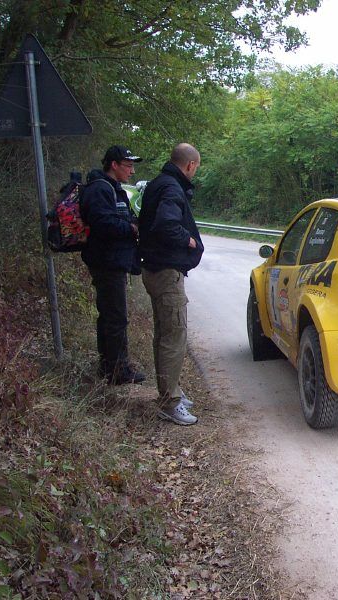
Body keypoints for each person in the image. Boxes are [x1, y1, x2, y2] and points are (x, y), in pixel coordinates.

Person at [138, 143, 204, 425]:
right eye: (196, 168)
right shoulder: (172, 189)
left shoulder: (157, 184)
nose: (195, 172)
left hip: (153, 268)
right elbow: (166, 224)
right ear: (190, 165)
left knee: (164, 334)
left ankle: (170, 391)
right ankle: (170, 403)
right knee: (174, 336)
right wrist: (188, 240)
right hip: (166, 271)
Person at [80, 145, 145, 385]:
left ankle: (111, 367)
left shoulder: (112, 189)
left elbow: (114, 218)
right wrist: (131, 228)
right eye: (128, 165)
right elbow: (102, 224)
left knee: (111, 316)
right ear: (114, 165)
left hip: (113, 261)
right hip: (106, 262)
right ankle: (117, 370)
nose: (132, 170)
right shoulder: (100, 189)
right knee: (115, 317)